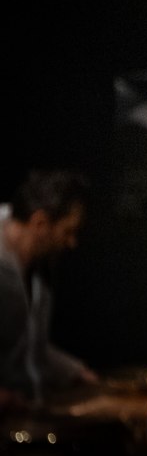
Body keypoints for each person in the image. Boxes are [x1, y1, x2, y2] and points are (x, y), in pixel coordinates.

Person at [1, 168, 97, 412]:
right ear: (40, 222)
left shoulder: (40, 265)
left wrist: (75, 372)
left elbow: (28, 348)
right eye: (67, 231)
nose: (72, 243)